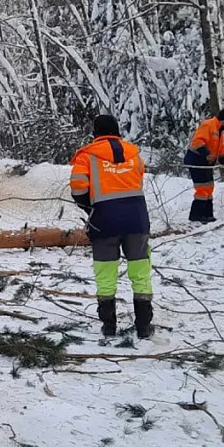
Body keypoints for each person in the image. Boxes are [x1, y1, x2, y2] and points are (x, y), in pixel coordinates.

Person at [69, 114, 153, 338]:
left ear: (95, 133)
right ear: (117, 131)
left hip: (104, 220)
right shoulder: (134, 154)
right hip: (137, 218)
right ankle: (144, 325)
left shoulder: (86, 156)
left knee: (105, 273)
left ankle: (109, 326)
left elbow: (78, 188)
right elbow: (139, 178)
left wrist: (91, 208)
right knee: (140, 272)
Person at [183, 108, 224, 223]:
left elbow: (220, 148)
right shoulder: (208, 125)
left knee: (209, 187)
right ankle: (196, 216)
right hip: (196, 160)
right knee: (202, 188)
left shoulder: (219, 130)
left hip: (206, 162)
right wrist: (207, 154)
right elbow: (197, 142)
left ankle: (207, 214)